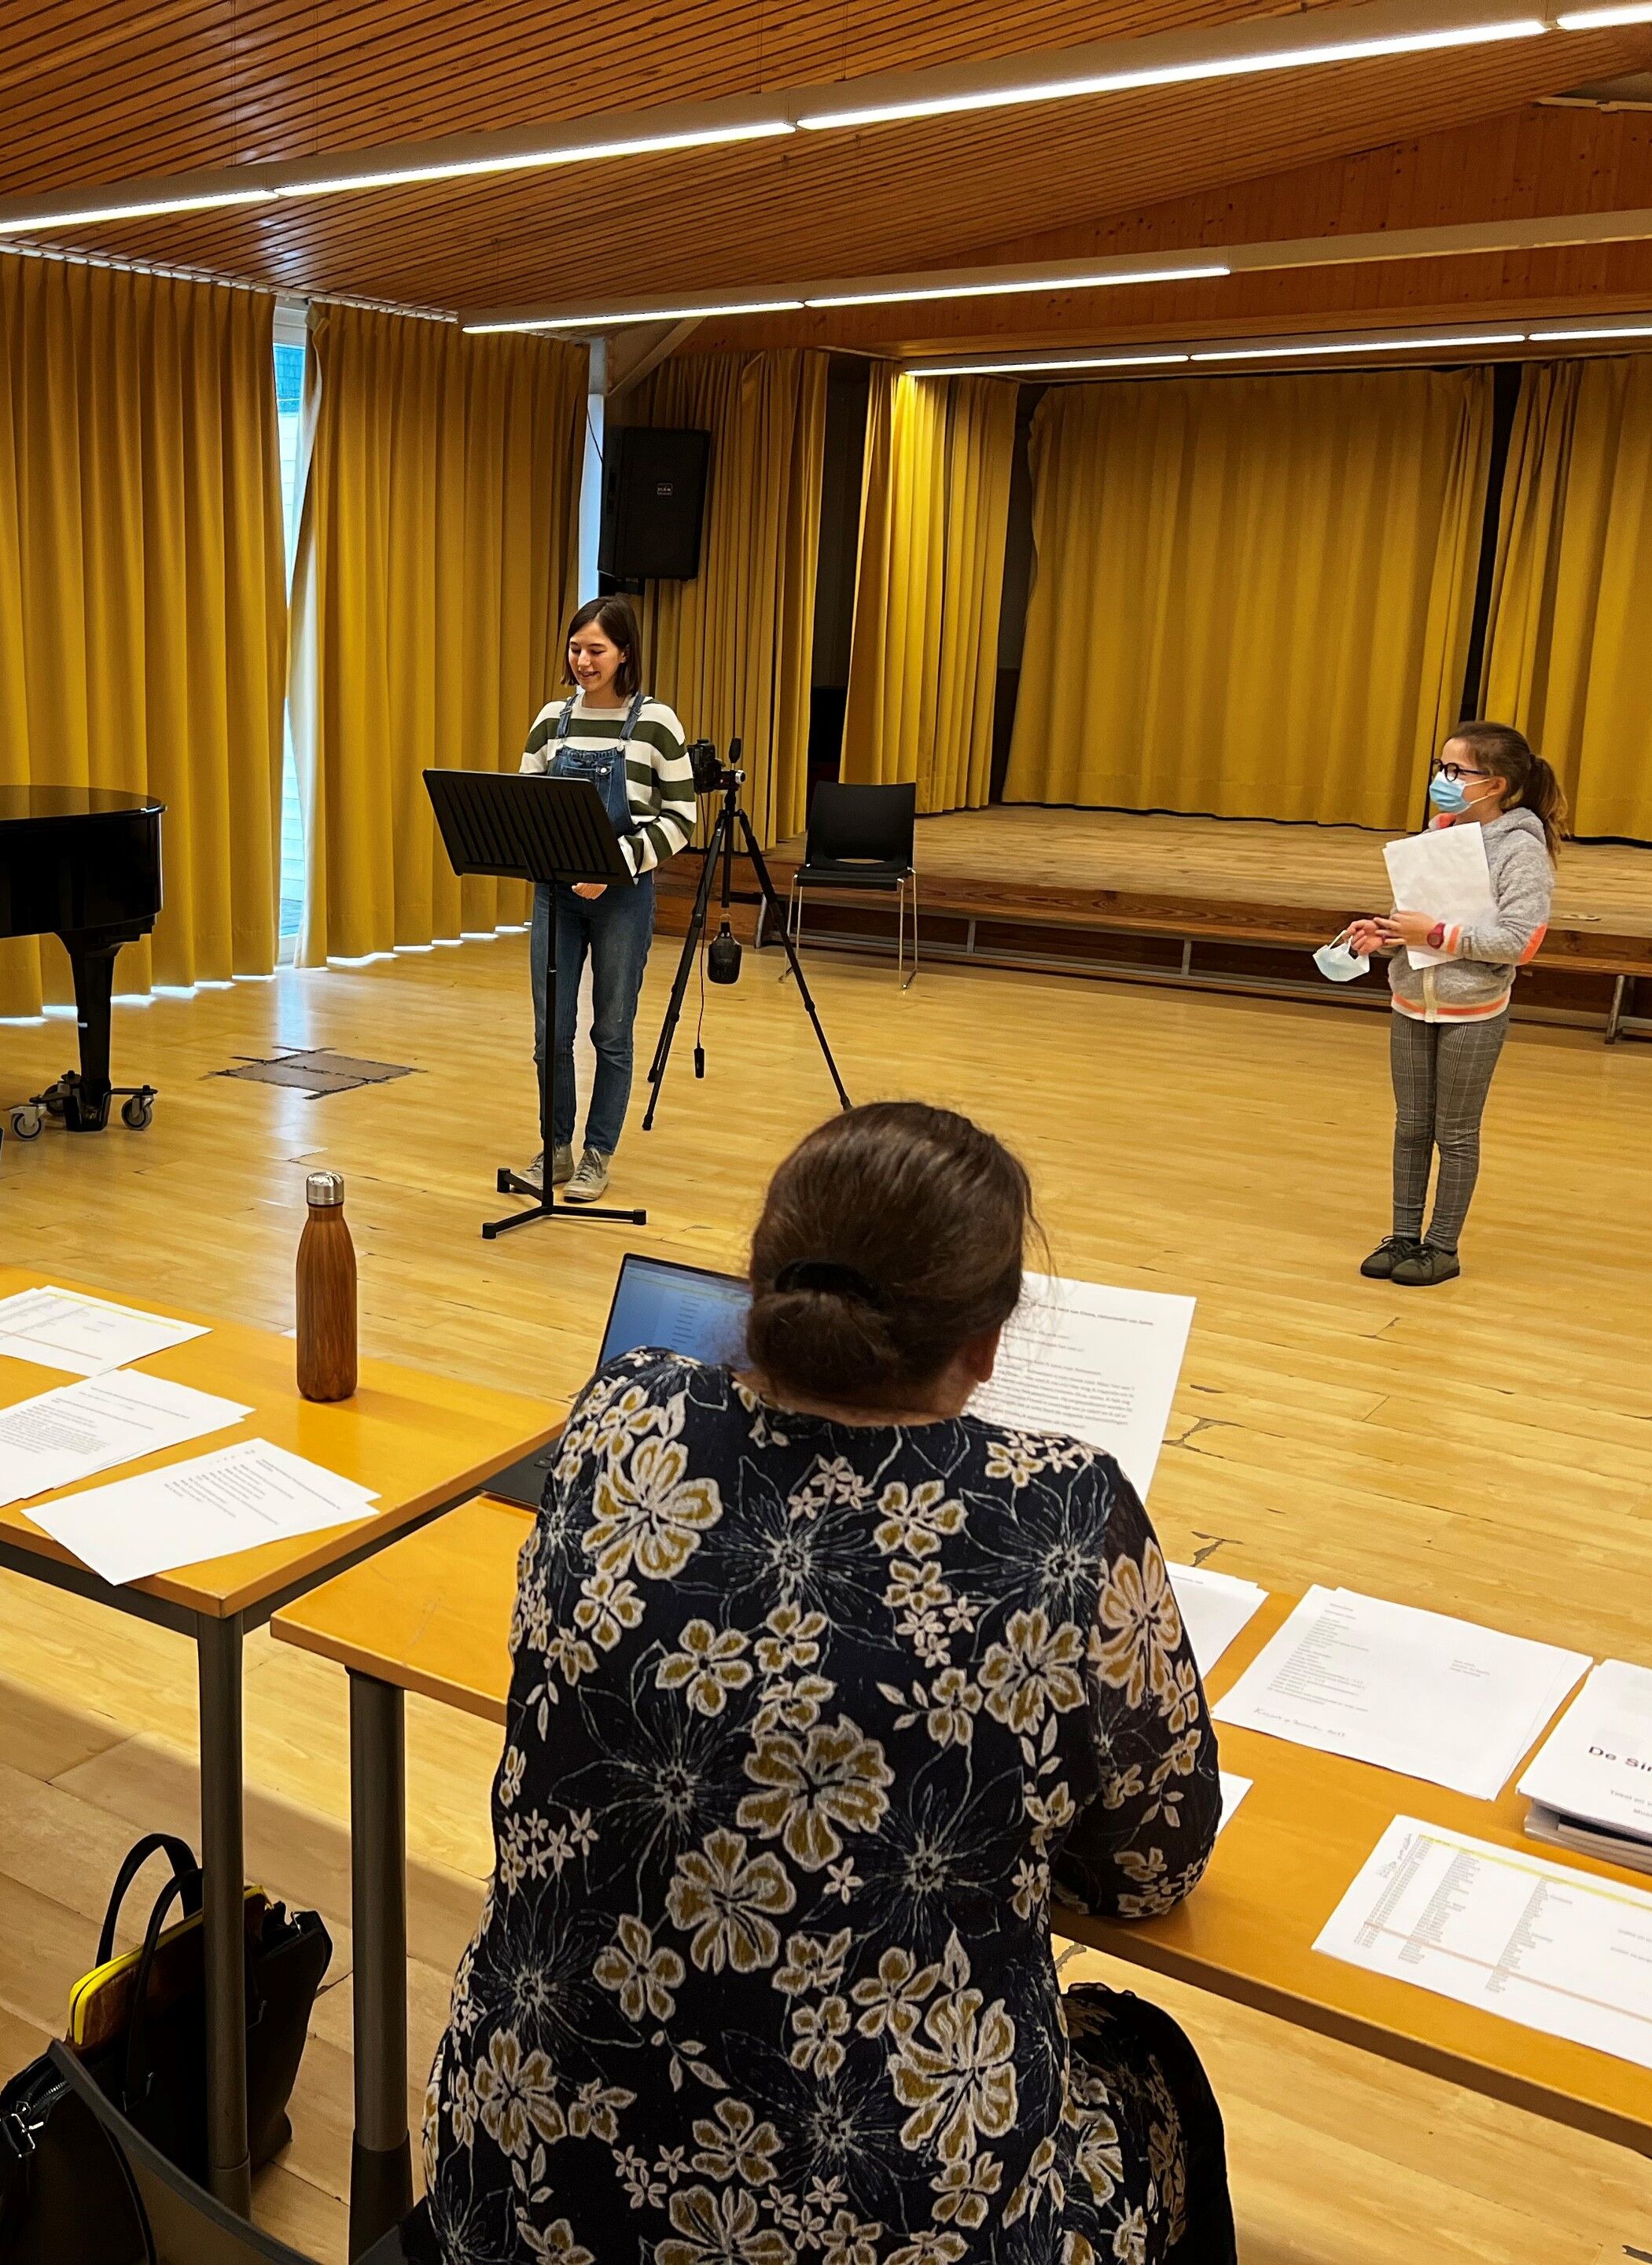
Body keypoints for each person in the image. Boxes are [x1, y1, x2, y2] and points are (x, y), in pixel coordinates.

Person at [427, 1101, 1234, 2265]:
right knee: (1147, 2064)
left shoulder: (623, 1412)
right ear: (984, 1345)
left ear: (762, 1288)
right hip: (892, 2227)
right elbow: (1154, 1869)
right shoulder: (1064, 1512)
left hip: (525, 2184)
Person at [1338, 721, 1564, 1290]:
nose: (1443, 779)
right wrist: (1385, 934)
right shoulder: (1434, 836)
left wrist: (1435, 934)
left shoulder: (1520, 849)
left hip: (1473, 1011)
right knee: (1411, 1126)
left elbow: (1519, 942)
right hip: (1412, 1000)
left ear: (1495, 784)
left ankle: (1442, 1247)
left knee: (1455, 1133)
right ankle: (1404, 1236)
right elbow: (1413, 921)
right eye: (1441, 767)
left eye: (1456, 770)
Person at [513, 595, 698, 1206]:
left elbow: (682, 818)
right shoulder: (551, 720)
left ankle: (598, 1153)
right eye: (575, 649)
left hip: (623, 899)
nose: (583, 661)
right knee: (551, 1031)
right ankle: (555, 1147)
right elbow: (528, 803)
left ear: (625, 654)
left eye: (596, 650)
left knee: (612, 1030)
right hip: (556, 896)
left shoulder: (657, 723)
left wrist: (613, 865)